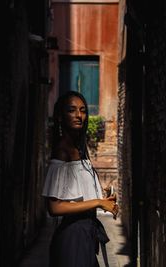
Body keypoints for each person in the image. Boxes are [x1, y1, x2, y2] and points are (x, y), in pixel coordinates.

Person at [42, 91, 118, 267]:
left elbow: (78, 194)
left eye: (83, 110)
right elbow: (54, 206)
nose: (79, 115)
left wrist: (103, 199)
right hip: (72, 237)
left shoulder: (80, 148)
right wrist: (98, 203)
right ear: (61, 117)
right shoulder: (62, 149)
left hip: (86, 234)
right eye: (72, 110)